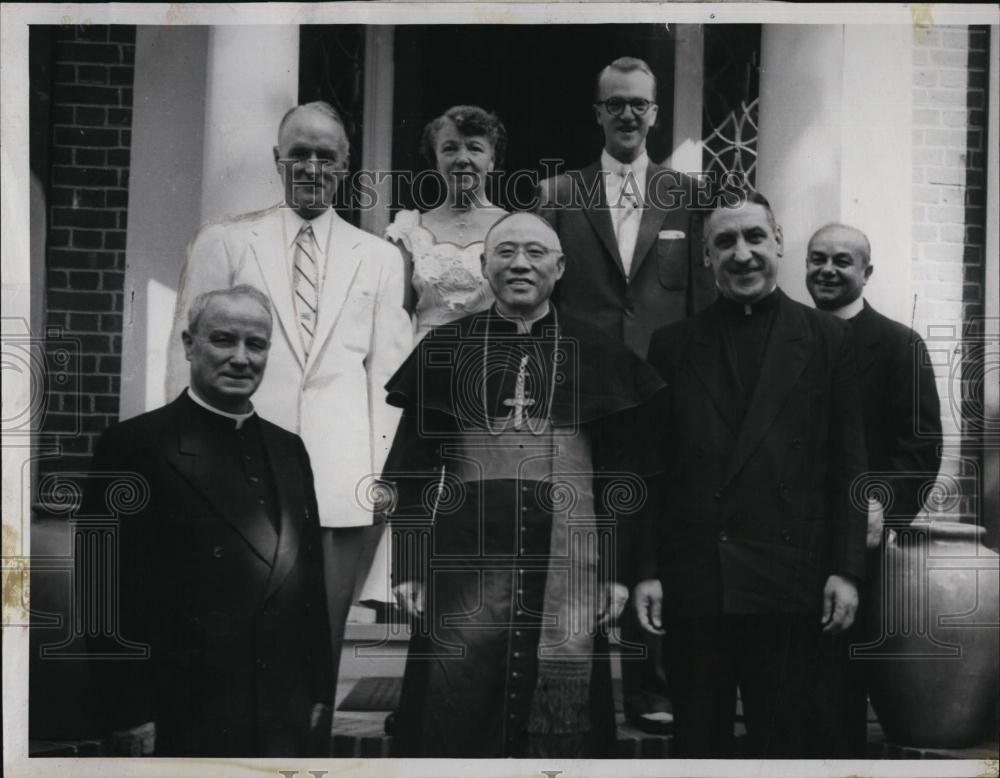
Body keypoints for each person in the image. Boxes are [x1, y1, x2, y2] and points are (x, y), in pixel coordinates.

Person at [382, 212, 665, 757]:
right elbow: (412, 468)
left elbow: (625, 480)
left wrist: (619, 572)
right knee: (454, 710)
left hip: (569, 560)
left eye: (535, 253)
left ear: (559, 268)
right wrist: (410, 565)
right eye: (505, 251)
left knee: (561, 726)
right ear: (484, 265)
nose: (519, 263)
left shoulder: (598, 351)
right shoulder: (446, 347)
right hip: (467, 561)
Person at [164, 101, 413, 707]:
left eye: (325, 155)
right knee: (227, 630)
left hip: (338, 477)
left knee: (318, 647)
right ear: (278, 160)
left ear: (345, 167)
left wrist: (381, 478)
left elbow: (390, 377)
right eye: (298, 153)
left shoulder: (377, 258)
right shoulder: (224, 241)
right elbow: (190, 355)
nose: (310, 166)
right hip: (236, 472)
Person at [633, 191, 869, 758]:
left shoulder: (828, 339)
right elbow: (650, 473)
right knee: (700, 748)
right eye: (725, 242)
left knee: (787, 746)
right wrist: (645, 571)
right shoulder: (673, 346)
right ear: (706, 258)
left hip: (792, 583)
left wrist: (846, 569)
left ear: (779, 242)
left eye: (754, 237)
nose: (742, 254)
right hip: (698, 584)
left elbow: (849, 466)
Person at [537, 55, 716, 731]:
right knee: (580, 528)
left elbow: (698, 302)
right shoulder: (559, 195)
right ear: (597, 112)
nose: (627, 116)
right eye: (614, 103)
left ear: (656, 112)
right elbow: (546, 297)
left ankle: (651, 682)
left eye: (639, 104)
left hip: (661, 392)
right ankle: (569, 681)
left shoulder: (689, 196)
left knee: (652, 530)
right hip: (582, 390)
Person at [85, 286, 332, 757]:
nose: (241, 358)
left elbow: (310, 581)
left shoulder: (288, 449)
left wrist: (318, 688)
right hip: (182, 707)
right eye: (223, 340)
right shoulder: (135, 445)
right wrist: (127, 710)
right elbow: (104, 591)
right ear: (189, 344)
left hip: (279, 705)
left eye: (255, 344)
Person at [805, 222, 943, 755]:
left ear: (867, 272)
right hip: (786, 541)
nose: (828, 270)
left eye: (843, 261)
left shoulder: (898, 345)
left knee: (839, 688)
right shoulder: (789, 338)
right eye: (818, 259)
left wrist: (878, 503)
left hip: (856, 543)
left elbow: (920, 445)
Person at [386, 105, 509, 341]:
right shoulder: (409, 230)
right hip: (424, 365)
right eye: (450, 149)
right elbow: (395, 321)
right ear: (436, 160)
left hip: (490, 362)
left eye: (475, 148)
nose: (462, 159)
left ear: (491, 160)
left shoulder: (513, 229)